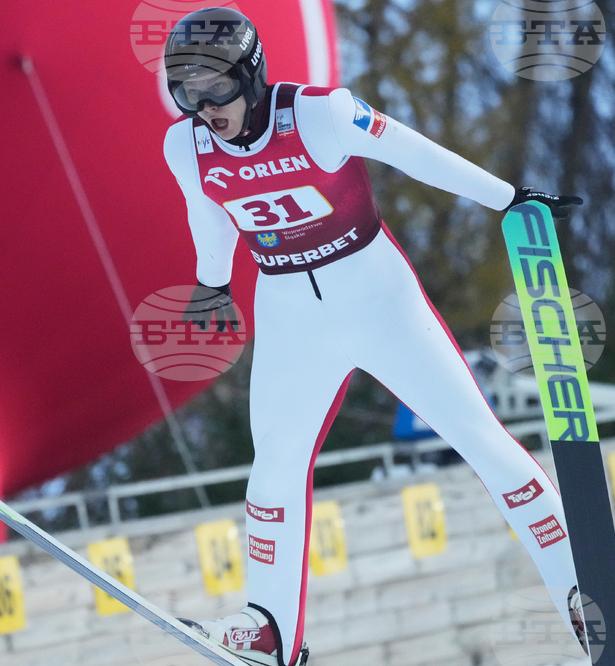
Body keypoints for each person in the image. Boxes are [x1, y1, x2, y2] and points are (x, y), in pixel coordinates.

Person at [162, 7, 587, 666]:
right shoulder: (185, 146)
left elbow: (415, 153)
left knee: (477, 438)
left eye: (216, 87)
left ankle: (580, 588)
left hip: (373, 294)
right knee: (272, 471)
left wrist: (506, 197)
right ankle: (271, 626)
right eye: (188, 92)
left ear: (250, 75)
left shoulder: (320, 115)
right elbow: (207, 213)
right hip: (289, 309)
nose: (205, 107)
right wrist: (211, 283)